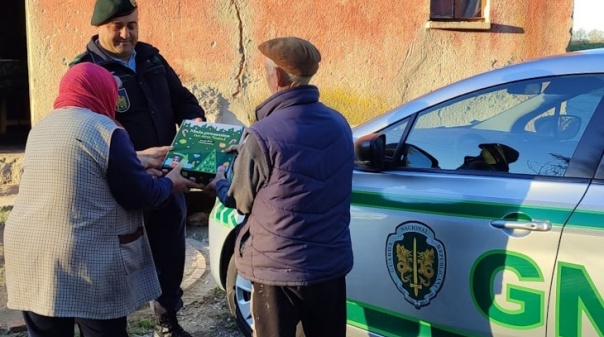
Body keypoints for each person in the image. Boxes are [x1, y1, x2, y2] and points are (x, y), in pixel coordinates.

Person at [3, 62, 200, 337]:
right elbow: (140, 195)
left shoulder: (43, 127)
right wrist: (171, 182)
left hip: (29, 254)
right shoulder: (106, 129)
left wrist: (137, 159)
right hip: (83, 262)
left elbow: (82, 165)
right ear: (100, 91)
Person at [70, 1, 206, 335]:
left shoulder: (151, 58)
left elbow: (182, 100)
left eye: (131, 25)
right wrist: (133, 158)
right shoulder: (86, 70)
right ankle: (114, 324)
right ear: (100, 27)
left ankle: (166, 320)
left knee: (170, 250)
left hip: (166, 175)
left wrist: (196, 122)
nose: (126, 34)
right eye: (117, 26)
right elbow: (80, 128)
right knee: (116, 256)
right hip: (119, 183)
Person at [206, 37, 355, 337]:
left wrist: (219, 181)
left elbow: (241, 201)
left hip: (277, 271)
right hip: (328, 266)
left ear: (277, 77)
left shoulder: (262, 134)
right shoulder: (340, 124)